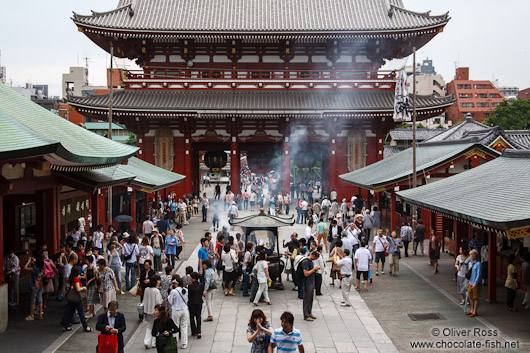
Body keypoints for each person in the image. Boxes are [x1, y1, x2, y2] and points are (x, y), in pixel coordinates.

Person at [60, 266, 91, 332]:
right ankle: (85, 326)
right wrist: (83, 288)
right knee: (81, 313)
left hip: (71, 298)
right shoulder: (76, 279)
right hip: (77, 298)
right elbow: (78, 289)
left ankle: (66, 325)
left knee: (69, 312)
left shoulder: (71, 278)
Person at [168, 278, 189, 349]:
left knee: (175, 326)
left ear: (176, 284)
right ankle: (184, 343)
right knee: (184, 326)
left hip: (176, 310)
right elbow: (186, 300)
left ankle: (175, 342)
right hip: (184, 309)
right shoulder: (186, 290)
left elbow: (170, 302)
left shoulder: (173, 291)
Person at [143, 275, 163, 349]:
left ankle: (146, 342)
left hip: (147, 311)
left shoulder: (146, 289)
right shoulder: (156, 291)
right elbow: (158, 302)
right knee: (156, 327)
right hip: (155, 312)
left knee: (149, 327)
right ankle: (154, 343)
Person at [302, 251, 320, 321]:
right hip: (307, 282)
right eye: (315, 258)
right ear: (312, 255)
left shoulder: (311, 261)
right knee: (307, 298)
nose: (315, 259)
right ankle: (306, 315)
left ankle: (309, 312)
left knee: (311, 298)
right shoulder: (305, 262)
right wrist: (314, 269)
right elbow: (306, 273)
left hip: (311, 281)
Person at [187, 272, 205, 338]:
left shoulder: (190, 286)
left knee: (192, 317)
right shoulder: (201, 285)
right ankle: (199, 331)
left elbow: (189, 295)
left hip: (192, 303)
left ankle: (194, 331)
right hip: (199, 302)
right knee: (198, 316)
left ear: (192, 278)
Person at [466, 250, 482, 317]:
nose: (472, 256)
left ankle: (475, 311)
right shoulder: (470, 263)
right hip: (470, 281)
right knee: (470, 296)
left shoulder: (478, 264)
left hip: (475, 283)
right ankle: (471, 309)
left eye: (473, 254)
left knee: (476, 297)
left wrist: (476, 282)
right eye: (471, 254)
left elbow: (479, 274)